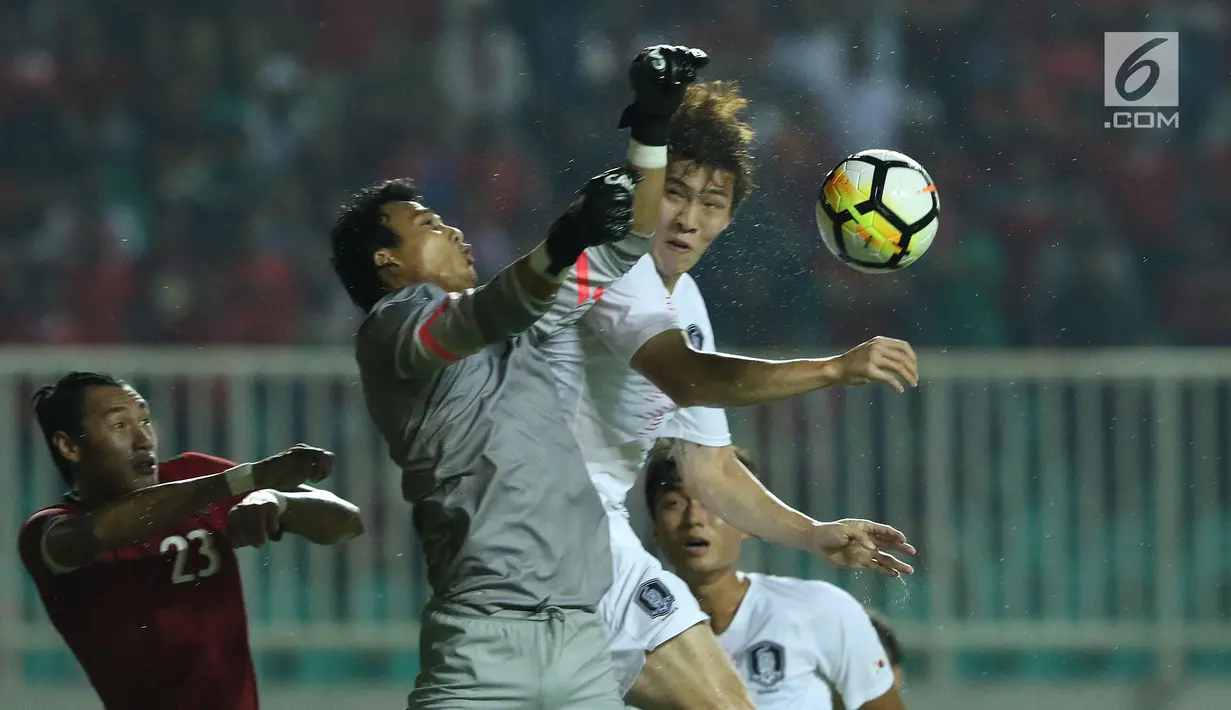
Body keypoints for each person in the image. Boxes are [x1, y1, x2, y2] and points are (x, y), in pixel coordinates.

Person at [328, 45, 710, 709]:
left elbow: (624, 243)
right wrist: (562, 241)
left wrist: (651, 126)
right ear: (387, 261)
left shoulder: (524, 315)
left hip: (581, 640)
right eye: (428, 224)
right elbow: (472, 319)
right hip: (482, 646)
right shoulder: (392, 330)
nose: (452, 230)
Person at [540, 80, 917, 708]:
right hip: (557, 529)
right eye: (676, 193)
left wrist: (811, 533)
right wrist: (833, 370)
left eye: (713, 202)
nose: (690, 218)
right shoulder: (615, 264)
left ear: (731, 216)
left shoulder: (681, 298)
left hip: (571, 533)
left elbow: (709, 466)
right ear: (645, 192)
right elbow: (685, 376)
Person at [17, 371, 365, 710]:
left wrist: (277, 499)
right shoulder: (49, 531)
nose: (144, 439)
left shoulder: (194, 476)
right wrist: (249, 478)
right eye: (120, 425)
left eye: (146, 420)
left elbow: (347, 521)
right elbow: (104, 530)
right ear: (69, 446)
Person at [646, 442, 908, 710]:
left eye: (712, 502)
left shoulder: (819, 609)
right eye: (674, 503)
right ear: (655, 527)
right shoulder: (632, 626)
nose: (694, 519)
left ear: (749, 521)